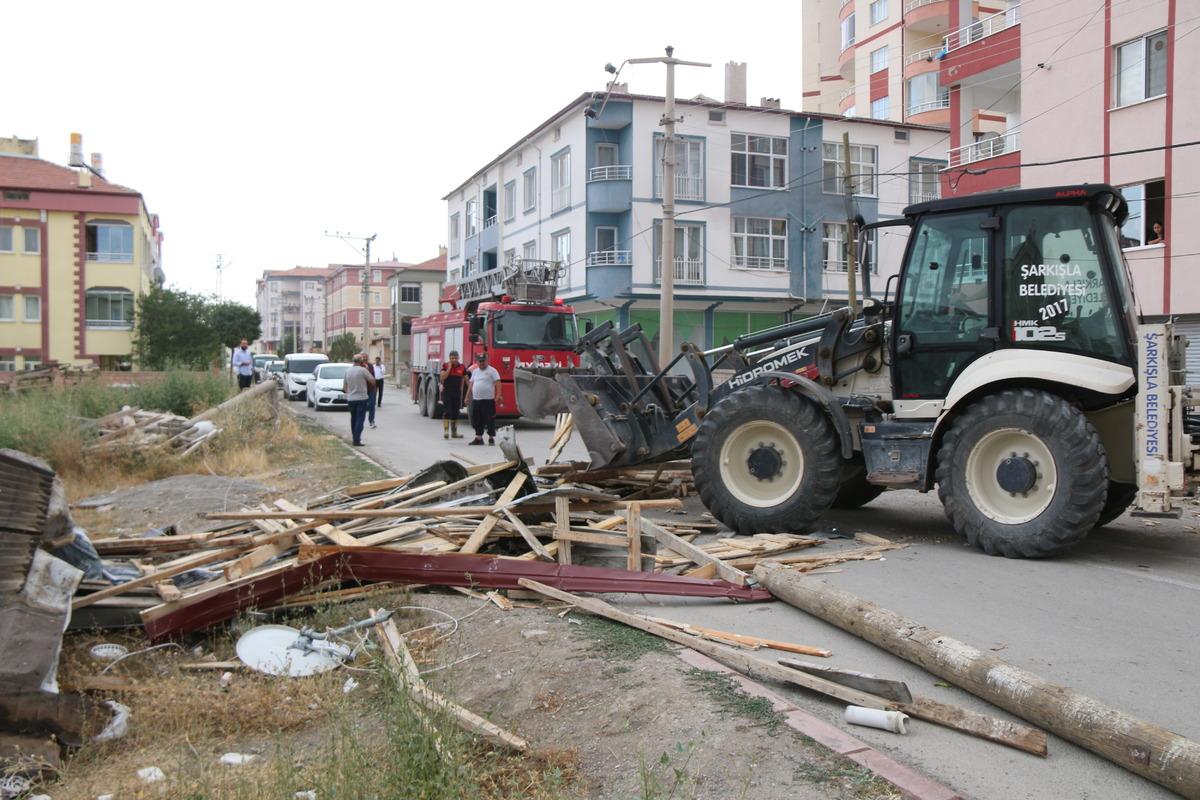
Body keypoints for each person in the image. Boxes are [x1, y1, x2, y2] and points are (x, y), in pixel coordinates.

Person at [465, 352, 501, 446]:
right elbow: (471, 384)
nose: (481, 363)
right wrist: (467, 396)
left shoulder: (492, 371)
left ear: (487, 361)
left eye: (483, 361)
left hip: (488, 400)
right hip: (476, 399)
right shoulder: (475, 371)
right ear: (477, 361)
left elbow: (497, 382)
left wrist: (498, 395)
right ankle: (478, 438)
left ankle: (491, 437)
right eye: (480, 361)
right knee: (477, 419)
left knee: (490, 419)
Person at [341, 354, 376, 447]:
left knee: (353, 418)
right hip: (361, 398)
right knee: (360, 419)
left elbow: (344, 387)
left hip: (351, 399)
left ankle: (354, 437)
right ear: (361, 362)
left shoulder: (347, 371)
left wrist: (350, 391)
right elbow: (372, 380)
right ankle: (356, 440)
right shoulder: (363, 370)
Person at [439, 351, 467, 440]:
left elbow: (466, 379)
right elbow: (442, 378)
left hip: (457, 393)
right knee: (447, 411)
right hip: (447, 392)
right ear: (449, 358)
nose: (454, 360)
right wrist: (449, 368)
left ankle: (454, 432)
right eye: (452, 358)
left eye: (455, 358)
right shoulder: (445, 366)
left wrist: (471, 388)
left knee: (455, 412)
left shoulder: (462, 367)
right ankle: (446, 431)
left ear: (458, 358)